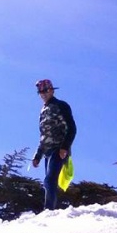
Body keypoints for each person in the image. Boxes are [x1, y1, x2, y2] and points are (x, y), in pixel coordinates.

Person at [32, 78, 77, 210]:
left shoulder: (61, 105)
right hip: (47, 152)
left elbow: (72, 128)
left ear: (52, 90)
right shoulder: (43, 110)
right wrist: (38, 156)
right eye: (40, 92)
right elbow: (44, 136)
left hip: (59, 149)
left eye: (45, 90)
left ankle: (49, 210)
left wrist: (65, 147)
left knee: (50, 180)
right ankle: (51, 209)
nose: (43, 94)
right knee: (49, 181)